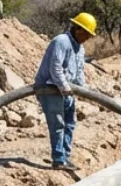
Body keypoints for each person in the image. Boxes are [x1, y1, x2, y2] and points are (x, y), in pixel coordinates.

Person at [32, 13, 97, 171]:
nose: (87, 38)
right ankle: (59, 159)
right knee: (58, 124)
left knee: (70, 123)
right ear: (78, 29)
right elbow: (55, 68)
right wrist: (64, 87)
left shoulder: (79, 48)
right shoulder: (61, 41)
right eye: (87, 34)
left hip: (67, 91)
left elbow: (79, 71)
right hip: (50, 88)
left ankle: (65, 157)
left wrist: (82, 89)